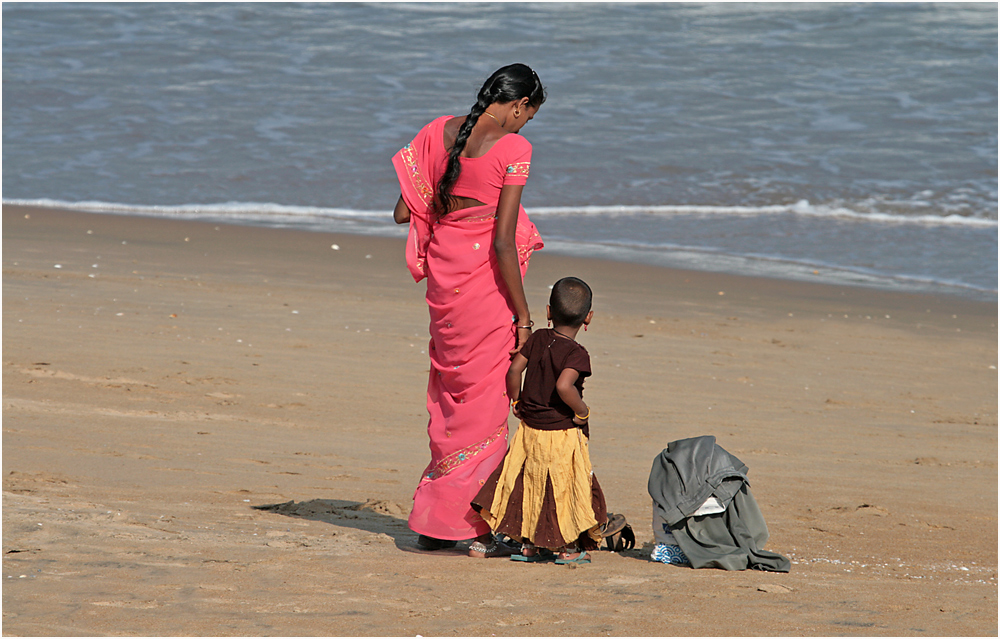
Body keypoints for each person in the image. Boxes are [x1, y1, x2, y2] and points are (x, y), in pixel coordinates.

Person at [390, 64, 546, 558]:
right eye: (529, 116)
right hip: (485, 288)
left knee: (451, 395)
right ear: (519, 106)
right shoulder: (514, 149)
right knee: (484, 405)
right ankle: (469, 525)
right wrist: (523, 316)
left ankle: (435, 523)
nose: (524, 127)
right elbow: (503, 242)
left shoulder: (437, 131)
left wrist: (452, 208)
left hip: (445, 282)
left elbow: (402, 211)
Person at [472, 277, 608, 565]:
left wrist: (516, 400)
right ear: (588, 318)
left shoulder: (536, 340)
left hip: (530, 429)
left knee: (529, 483)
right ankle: (567, 549)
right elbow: (564, 387)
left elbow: (513, 372)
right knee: (563, 486)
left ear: (548, 312)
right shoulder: (576, 354)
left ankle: (529, 547)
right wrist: (582, 411)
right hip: (562, 432)